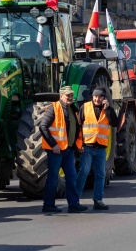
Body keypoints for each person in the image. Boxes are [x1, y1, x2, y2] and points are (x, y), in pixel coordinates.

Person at [38, 85, 88, 214]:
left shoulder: (73, 109)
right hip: (56, 151)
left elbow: (76, 129)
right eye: (67, 95)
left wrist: (78, 145)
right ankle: (48, 205)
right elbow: (43, 126)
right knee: (53, 178)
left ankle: (73, 204)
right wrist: (53, 145)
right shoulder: (53, 108)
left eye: (71, 95)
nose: (70, 97)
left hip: (68, 150)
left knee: (71, 177)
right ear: (61, 96)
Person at [75, 87, 118, 211]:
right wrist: (79, 144)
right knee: (84, 171)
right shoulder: (85, 107)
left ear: (104, 98)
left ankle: (98, 200)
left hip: (101, 148)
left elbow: (115, 123)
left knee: (100, 174)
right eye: (95, 96)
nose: (97, 99)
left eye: (100, 97)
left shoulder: (107, 110)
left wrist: (109, 109)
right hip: (87, 147)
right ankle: (75, 198)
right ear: (92, 97)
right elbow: (78, 127)